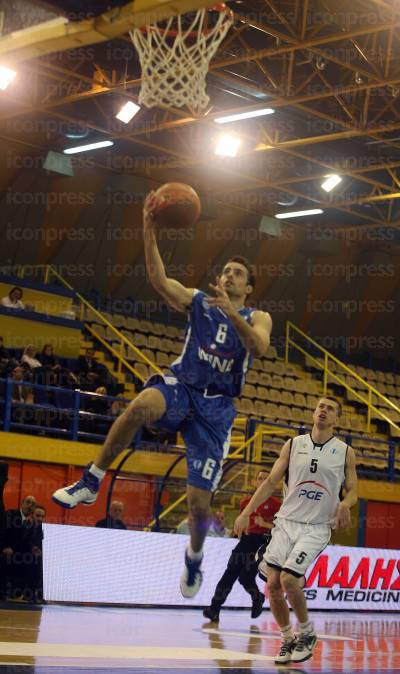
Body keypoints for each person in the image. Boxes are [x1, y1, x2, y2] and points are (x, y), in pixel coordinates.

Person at [52, 190, 272, 598]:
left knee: (198, 505)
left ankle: (193, 555)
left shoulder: (257, 316)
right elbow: (158, 279)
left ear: (249, 287)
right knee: (139, 405)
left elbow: (258, 348)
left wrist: (230, 314)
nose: (228, 276)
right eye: (225, 270)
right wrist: (149, 225)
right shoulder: (199, 301)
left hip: (217, 411)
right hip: (183, 386)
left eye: (237, 273)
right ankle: (91, 480)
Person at [234, 397, 358, 664]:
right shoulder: (293, 444)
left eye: (330, 408)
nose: (323, 410)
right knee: (273, 585)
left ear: (338, 418)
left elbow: (354, 491)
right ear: (314, 412)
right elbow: (269, 482)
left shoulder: (345, 452)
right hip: (286, 523)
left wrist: (345, 504)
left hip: (315, 527)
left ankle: (307, 632)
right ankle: (287, 637)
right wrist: (246, 513)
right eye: (320, 406)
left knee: (290, 580)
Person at [203, 469, 281, 622]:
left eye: (266, 479)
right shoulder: (246, 502)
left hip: (263, 543)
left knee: (245, 578)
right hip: (245, 540)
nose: (263, 481)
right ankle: (214, 609)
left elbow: (281, 528)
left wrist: (263, 523)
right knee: (230, 573)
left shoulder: (277, 505)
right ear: (255, 481)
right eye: (260, 478)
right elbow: (242, 522)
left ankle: (257, 597)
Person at [1, 495, 36, 599]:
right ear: (22, 504)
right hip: (4, 551)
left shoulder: (31, 523)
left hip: (17, 556)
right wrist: (4, 547)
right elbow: (2, 532)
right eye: (28, 502)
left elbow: (26, 543)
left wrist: (33, 548)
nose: (30, 505)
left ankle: (17, 594)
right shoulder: (10, 514)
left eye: (33, 504)